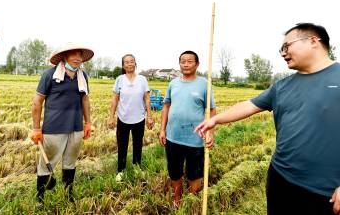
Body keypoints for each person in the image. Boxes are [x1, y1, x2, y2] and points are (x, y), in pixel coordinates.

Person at [195, 23, 340, 215]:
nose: (283, 53)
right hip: (280, 177)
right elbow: (250, 105)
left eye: (286, 46)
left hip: (325, 191)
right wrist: (216, 120)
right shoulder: (282, 86)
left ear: (313, 41)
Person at [30, 43, 93, 202]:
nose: (78, 58)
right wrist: (36, 128)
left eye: (80, 55)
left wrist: (88, 123)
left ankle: (68, 193)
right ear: (64, 56)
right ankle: (40, 196)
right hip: (54, 127)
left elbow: (85, 100)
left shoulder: (82, 76)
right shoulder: (49, 75)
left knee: (70, 161)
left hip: (76, 126)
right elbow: (37, 102)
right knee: (47, 162)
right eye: (74, 54)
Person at [159, 50, 216, 208]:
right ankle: (177, 197)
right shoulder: (173, 83)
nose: (185, 64)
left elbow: (211, 110)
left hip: (196, 139)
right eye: (182, 61)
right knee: (175, 171)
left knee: (194, 173)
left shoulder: (205, 84)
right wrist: (162, 129)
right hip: (173, 136)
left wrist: (210, 133)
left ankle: (191, 201)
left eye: (190, 61)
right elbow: (166, 106)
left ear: (197, 64)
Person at [108, 54, 154, 182]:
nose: (129, 64)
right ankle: (121, 171)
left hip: (139, 118)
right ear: (123, 65)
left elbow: (147, 98)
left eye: (131, 62)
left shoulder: (142, 80)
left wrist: (149, 116)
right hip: (123, 118)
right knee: (122, 145)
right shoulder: (120, 79)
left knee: (138, 144)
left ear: (135, 63)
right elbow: (115, 99)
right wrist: (111, 117)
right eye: (126, 62)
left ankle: (137, 168)